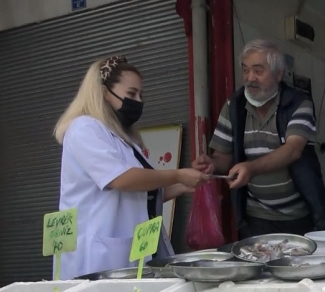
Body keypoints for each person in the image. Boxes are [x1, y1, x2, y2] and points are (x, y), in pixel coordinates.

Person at [54, 56, 209, 279]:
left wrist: (183, 185)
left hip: (131, 254)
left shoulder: (121, 138)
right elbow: (122, 180)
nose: (138, 101)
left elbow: (139, 194)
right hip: (97, 257)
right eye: (131, 94)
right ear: (104, 92)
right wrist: (177, 174)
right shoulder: (84, 129)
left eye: (140, 95)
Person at [193, 39, 325, 238]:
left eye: (258, 71)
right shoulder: (234, 106)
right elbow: (223, 157)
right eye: (245, 70)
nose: (250, 78)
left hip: (300, 216)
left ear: (278, 73)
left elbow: (293, 150)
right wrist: (211, 164)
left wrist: (251, 168)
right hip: (256, 218)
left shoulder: (299, 103)